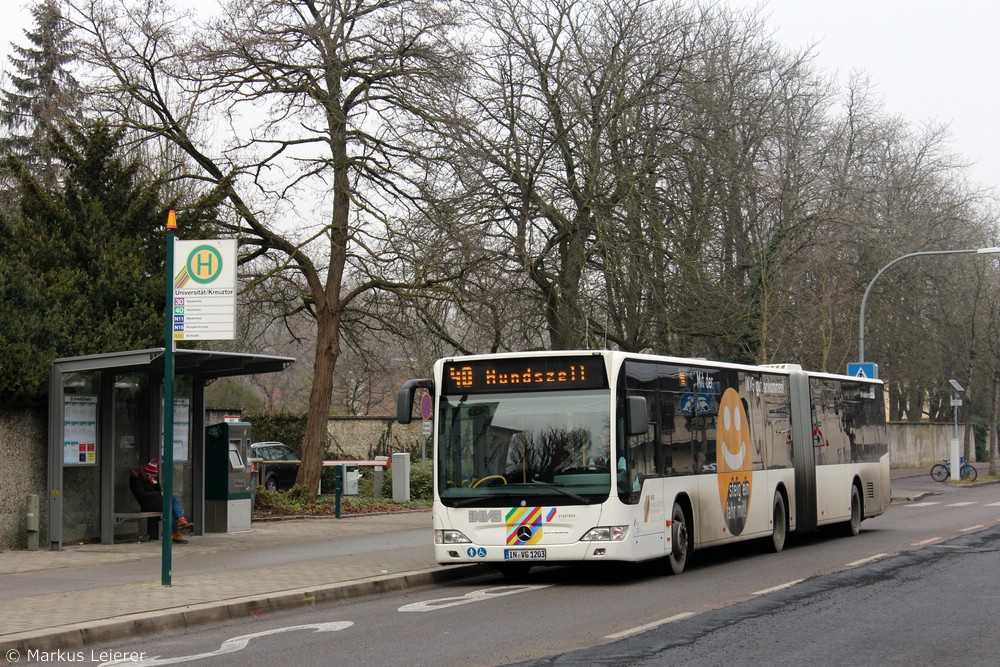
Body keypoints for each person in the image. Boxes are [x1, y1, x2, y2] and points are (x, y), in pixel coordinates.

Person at [129, 458, 194, 544]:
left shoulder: (150, 480)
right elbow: (141, 494)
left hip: (155, 502)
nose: (152, 477)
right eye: (151, 476)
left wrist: (156, 484)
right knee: (173, 499)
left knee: (170, 507)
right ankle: (179, 522)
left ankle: (177, 532)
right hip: (147, 504)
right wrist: (158, 493)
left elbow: (159, 491)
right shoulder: (136, 479)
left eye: (153, 476)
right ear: (145, 473)